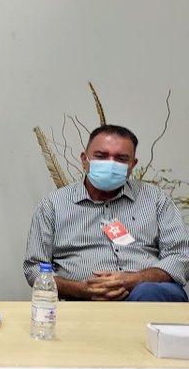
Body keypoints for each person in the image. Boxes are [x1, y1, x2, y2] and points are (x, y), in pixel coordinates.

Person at [24, 124, 189, 301]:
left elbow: (181, 255)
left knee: (147, 292)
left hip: (151, 297)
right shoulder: (53, 205)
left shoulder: (155, 199)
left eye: (121, 158)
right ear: (84, 159)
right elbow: (34, 269)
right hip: (84, 302)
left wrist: (136, 280)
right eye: (101, 156)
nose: (111, 164)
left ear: (132, 165)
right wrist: (80, 290)